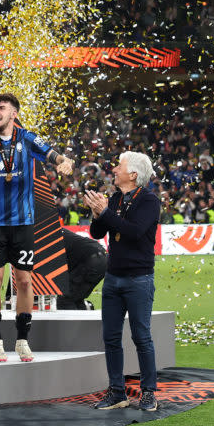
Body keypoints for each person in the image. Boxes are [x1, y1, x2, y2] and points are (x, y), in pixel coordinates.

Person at [0, 93, 74, 362]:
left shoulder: (27, 138)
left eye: (1, 108)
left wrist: (65, 162)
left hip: (24, 222)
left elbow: (56, 155)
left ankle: (22, 340)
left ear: (13, 113)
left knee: (25, 281)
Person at [85, 151, 160, 412]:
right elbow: (97, 233)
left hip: (138, 278)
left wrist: (105, 212)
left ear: (133, 174)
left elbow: (134, 232)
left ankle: (149, 392)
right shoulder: (116, 198)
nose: (114, 169)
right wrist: (97, 214)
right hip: (113, 277)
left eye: (119, 166)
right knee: (111, 338)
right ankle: (117, 392)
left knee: (142, 337)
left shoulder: (149, 201)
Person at [57, 228, 106, 310]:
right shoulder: (56, 232)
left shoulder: (47, 237)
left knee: (65, 300)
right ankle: (84, 320)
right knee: (76, 298)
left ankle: (70, 322)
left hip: (90, 260)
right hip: (100, 258)